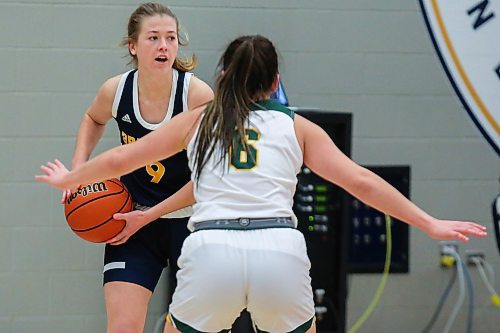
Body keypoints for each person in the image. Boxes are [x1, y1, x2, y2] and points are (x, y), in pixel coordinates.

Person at [37, 35, 487, 333]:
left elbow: (118, 158)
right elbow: (362, 182)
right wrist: (429, 223)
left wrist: (70, 177)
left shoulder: (196, 121)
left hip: (211, 249)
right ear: (275, 82)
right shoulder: (298, 126)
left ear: (222, 77)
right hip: (279, 250)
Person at [60, 3, 213, 333]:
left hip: (192, 219)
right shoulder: (116, 91)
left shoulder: (197, 95)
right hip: (132, 221)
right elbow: (92, 118)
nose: (163, 46)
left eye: (171, 38)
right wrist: (78, 170)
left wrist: (154, 213)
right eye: (154, 37)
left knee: (197, 327)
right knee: (123, 326)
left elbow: (209, 177)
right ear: (133, 45)